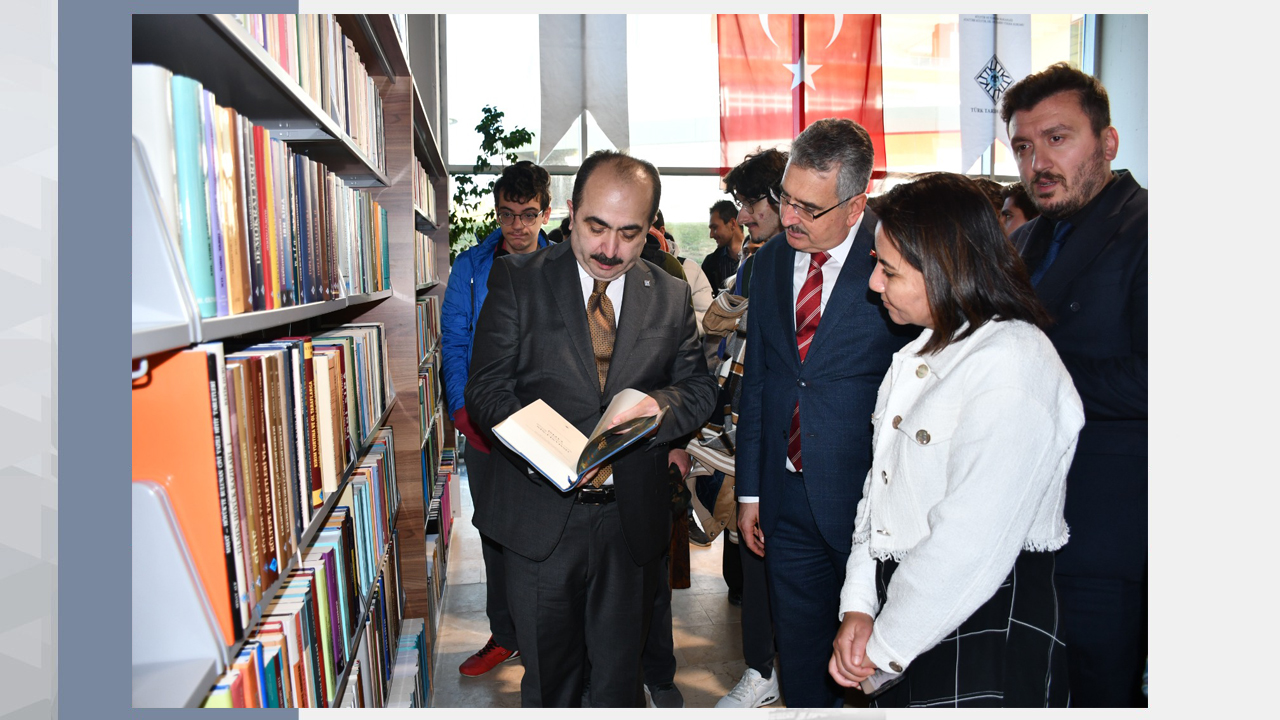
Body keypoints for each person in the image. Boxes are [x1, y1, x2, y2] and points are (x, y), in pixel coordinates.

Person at [465, 150, 719, 708]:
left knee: (618, 682)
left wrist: (656, 412)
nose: (610, 249)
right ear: (572, 212)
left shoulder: (670, 293)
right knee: (550, 682)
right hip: (541, 519)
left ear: (649, 227)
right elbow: (485, 388)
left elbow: (699, 389)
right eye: (596, 227)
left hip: (629, 523)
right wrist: (544, 447)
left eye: (629, 234)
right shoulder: (517, 278)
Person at [828, 171, 1083, 708]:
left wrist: (887, 640)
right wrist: (859, 603)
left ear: (944, 268)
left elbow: (970, 542)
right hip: (909, 604)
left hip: (980, 608)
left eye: (888, 271)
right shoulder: (922, 352)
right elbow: (878, 493)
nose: (874, 284)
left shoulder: (1013, 364)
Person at [735, 118, 916, 708]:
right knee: (805, 652)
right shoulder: (765, 266)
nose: (789, 218)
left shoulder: (898, 261)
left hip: (871, 504)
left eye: (808, 209)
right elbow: (759, 380)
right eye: (786, 198)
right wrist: (750, 494)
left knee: (875, 660)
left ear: (856, 203)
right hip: (784, 506)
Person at [1002, 61, 1148, 708]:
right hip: (1020, 523)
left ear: (1107, 143)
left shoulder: (1151, 230)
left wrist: (1027, 372)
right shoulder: (1026, 238)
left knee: (1100, 692)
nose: (1039, 161)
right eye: (1025, 146)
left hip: (1108, 530)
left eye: (1058, 139)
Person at [440, 160, 551, 677]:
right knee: (495, 534)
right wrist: (464, 415)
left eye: (528, 215)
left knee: (552, 535)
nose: (518, 227)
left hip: (550, 424)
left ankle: (548, 637)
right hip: (484, 422)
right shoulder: (471, 266)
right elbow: (456, 341)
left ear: (546, 212)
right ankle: (505, 635)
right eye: (508, 215)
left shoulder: (566, 263)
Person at [702, 146, 790, 708]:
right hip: (749, 424)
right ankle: (761, 668)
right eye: (741, 204)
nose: (746, 215)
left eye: (753, 202)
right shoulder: (760, 257)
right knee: (752, 549)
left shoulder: (822, 256)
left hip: (799, 435)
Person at [724, 149, 788, 297]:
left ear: (778, 196)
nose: (741, 219)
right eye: (742, 204)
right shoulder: (749, 270)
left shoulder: (816, 265)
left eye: (751, 203)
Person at [702, 200, 744, 295]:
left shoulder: (758, 258)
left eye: (715, 228)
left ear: (732, 223)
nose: (711, 235)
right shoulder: (709, 264)